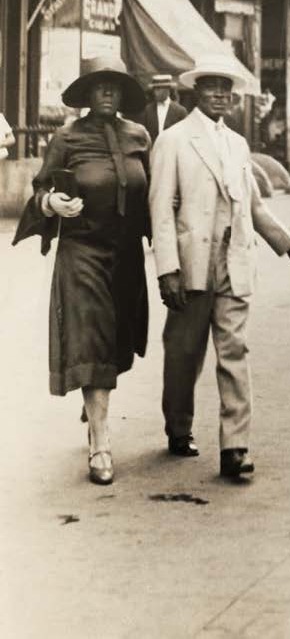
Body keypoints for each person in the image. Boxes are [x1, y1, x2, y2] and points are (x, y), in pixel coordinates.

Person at [149, 55, 290, 480]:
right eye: (211, 87)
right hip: (191, 265)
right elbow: (161, 212)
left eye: (226, 88)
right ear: (195, 92)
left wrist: (288, 243)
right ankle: (178, 426)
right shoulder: (172, 140)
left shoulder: (238, 144)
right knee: (184, 354)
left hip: (234, 261)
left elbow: (254, 206)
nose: (220, 95)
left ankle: (235, 448)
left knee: (234, 353)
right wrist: (167, 268)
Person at [13, 55, 152, 485]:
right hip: (83, 250)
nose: (107, 92)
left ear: (123, 92)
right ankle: (101, 442)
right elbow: (39, 193)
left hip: (126, 254)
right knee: (91, 337)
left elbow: (154, 193)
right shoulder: (66, 137)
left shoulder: (139, 136)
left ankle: (93, 402)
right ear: (87, 93)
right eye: (98, 85)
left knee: (117, 341)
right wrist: (51, 204)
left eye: (114, 85)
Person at [138, 73, 188, 144]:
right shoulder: (147, 110)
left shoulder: (180, 111)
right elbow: (142, 135)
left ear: (167, 90)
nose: (155, 93)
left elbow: (185, 136)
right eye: (154, 89)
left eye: (158, 89)